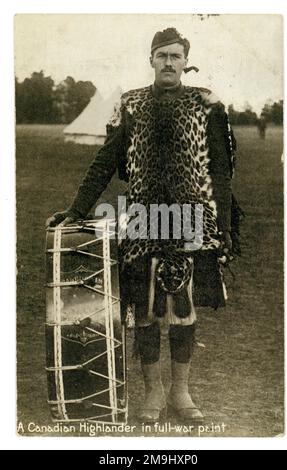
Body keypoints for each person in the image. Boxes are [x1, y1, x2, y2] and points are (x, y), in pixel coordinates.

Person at [46, 27, 239, 423]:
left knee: (182, 310)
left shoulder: (207, 105)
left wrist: (224, 225)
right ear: (151, 59)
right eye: (162, 55)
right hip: (143, 220)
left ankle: (182, 393)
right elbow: (105, 161)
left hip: (191, 220)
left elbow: (221, 169)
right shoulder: (130, 104)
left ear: (186, 61)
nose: (169, 63)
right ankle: (154, 392)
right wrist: (77, 208)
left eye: (176, 56)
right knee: (146, 311)